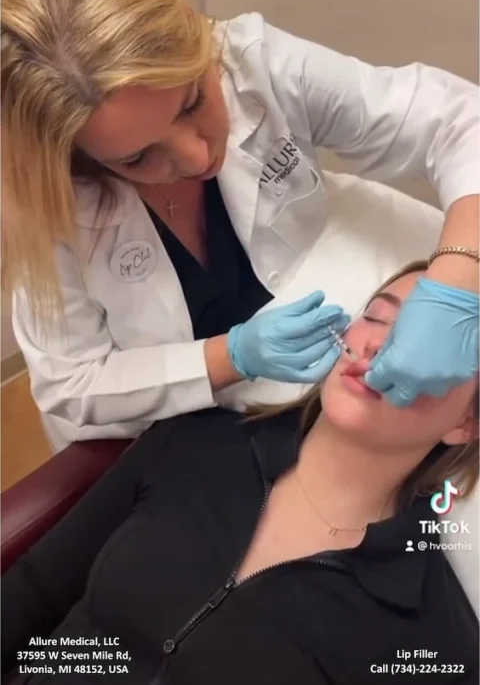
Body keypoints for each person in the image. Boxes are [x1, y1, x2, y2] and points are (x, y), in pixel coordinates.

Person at [1, 0, 479, 448]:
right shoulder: (43, 201)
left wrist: (456, 278)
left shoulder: (249, 58)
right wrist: (231, 357)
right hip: (158, 429)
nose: (199, 158)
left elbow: (454, 121)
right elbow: (74, 382)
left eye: (193, 101)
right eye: (136, 158)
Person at [3, 261, 479, 684]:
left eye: (425, 349)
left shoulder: (432, 634)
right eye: (376, 316)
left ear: (465, 423)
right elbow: (35, 592)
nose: (380, 344)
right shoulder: (193, 442)